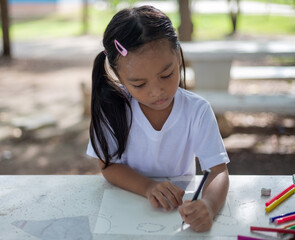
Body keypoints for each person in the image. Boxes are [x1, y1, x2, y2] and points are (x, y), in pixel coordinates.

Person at [86, 5, 230, 232]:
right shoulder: (112, 109)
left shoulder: (197, 110)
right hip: (123, 208)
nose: (157, 91)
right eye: (139, 84)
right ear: (119, 76)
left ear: (178, 56)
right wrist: (148, 186)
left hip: (177, 213)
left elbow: (217, 170)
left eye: (166, 74)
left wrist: (209, 205)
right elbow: (108, 166)